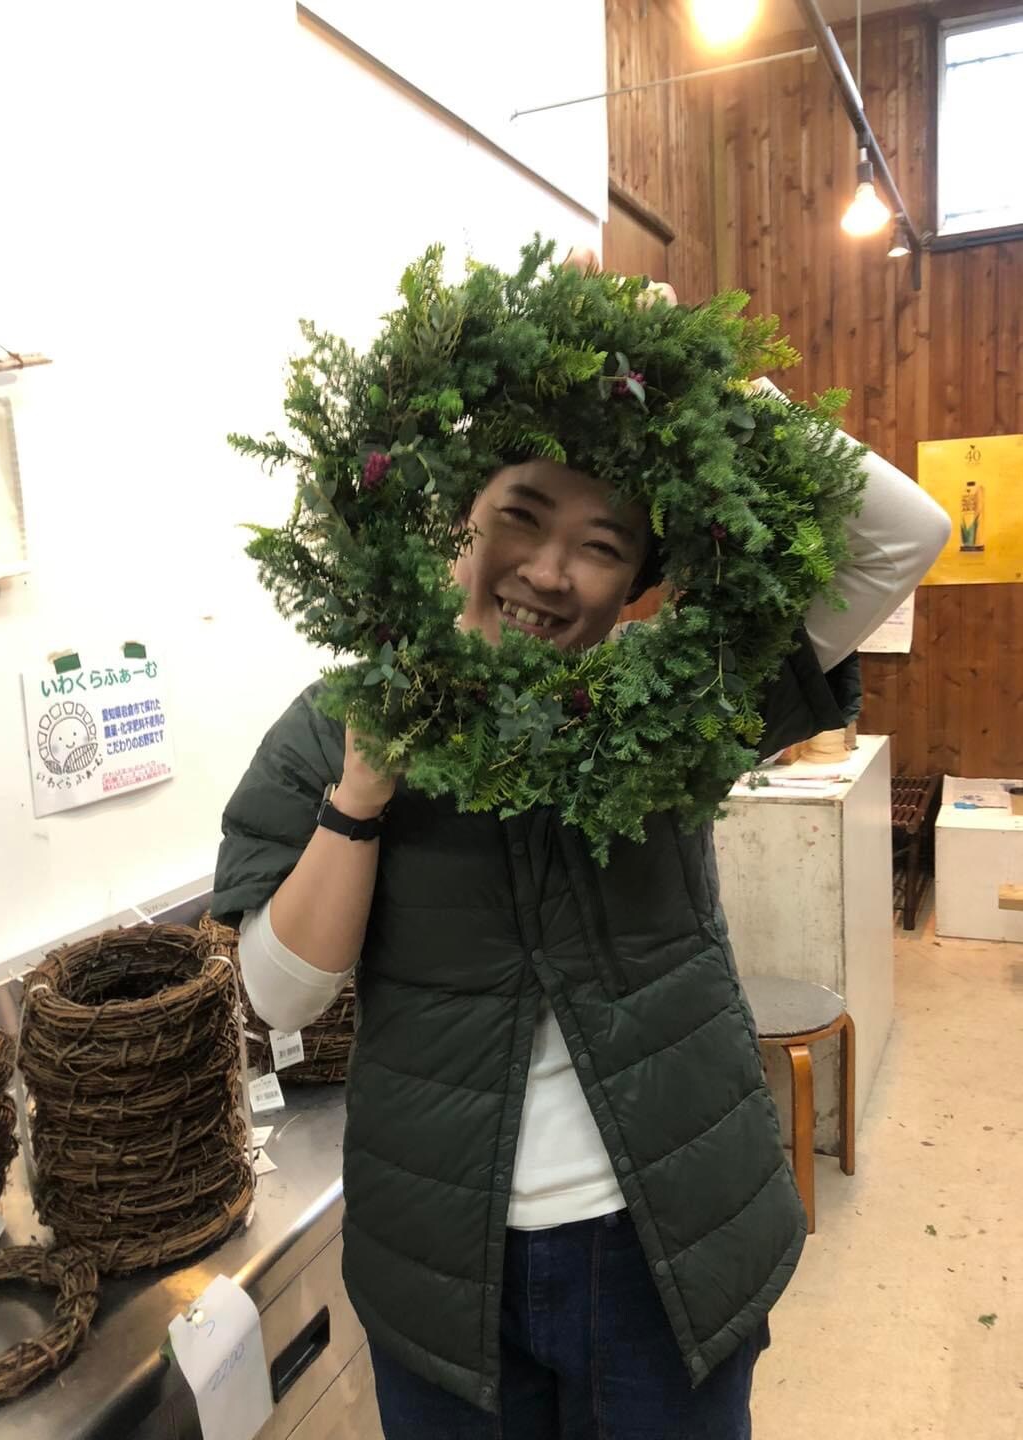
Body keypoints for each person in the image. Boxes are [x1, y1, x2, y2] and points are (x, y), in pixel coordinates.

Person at [212, 262, 950, 1439]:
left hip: (666, 1242)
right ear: (461, 514)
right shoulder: (334, 723)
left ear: (635, 582)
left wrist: (709, 385)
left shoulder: (671, 703)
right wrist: (361, 794)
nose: (551, 571)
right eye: (523, 514)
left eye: (602, 544)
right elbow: (279, 995)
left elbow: (907, 534)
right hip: (443, 1264)